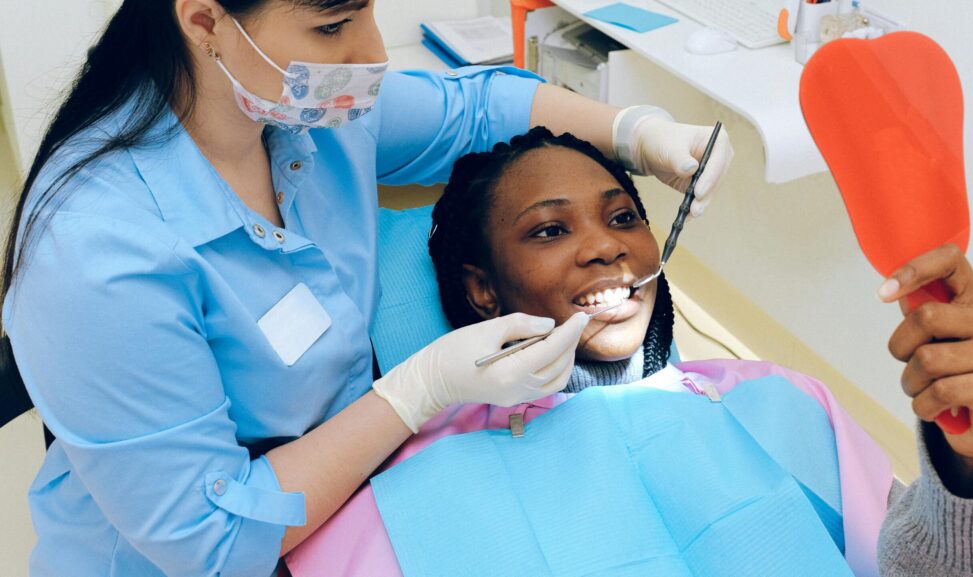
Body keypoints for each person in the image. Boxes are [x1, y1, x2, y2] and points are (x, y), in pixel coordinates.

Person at [0, 1, 734, 575]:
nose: (373, 54)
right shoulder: (95, 252)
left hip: (351, 519)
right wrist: (418, 391)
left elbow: (476, 110)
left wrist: (635, 130)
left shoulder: (311, 114)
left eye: (369, 8)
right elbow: (212, 543)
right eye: (332, 24)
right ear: (204, 22)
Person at [286, 127, 973, 577]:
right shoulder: (412, 487)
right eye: (549, 230)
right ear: (481, 290)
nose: (605, 243)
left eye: (623, 217)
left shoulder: (779, 401)